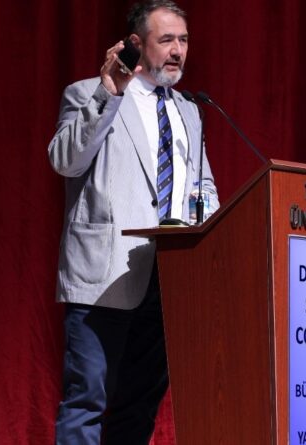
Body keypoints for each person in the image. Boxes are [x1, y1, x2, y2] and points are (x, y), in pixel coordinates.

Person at [47, 1, 219, 443]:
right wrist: (110, 91)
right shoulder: (88, 93)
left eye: (184, 40)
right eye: (167, 40)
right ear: (136, 44)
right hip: (104, 275)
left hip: (168, 279)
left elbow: (202, 185)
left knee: (138, 408)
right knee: (86, 402)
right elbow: (65, 161)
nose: (178, 50)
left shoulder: (189, 110)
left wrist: (212, 224)